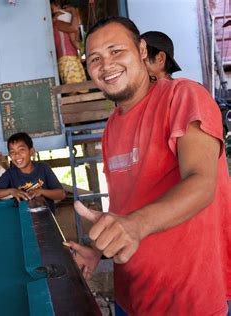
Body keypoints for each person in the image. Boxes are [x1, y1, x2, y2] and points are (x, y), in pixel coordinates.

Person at [63, 16, 230, 315]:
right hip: (131, 294)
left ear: (141, 49)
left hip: (188, 300)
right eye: (95, 59)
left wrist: (136, 225)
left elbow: (202, 182)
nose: (106, 65)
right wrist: (96, 252)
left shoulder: (183, 96)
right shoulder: (112, 126)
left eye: (116, 51)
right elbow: (124, 204)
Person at [0, 132, 65, 212]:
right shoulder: (10, 174)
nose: (16, 155)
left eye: (21, 150)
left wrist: (41, 191)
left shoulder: (43, 168)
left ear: (31, 152)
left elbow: (61, 194)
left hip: (47, 219)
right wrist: (11, 191)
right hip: (23, 220)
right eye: (12, 152)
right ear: (9, 155)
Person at [50, 0, 87, 86]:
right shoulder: (57, 22)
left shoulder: (59, 21)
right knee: (73, 88)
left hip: (71, 58)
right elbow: (74, 28)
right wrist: (73, 11)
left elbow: (75, 38)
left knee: (79, 88)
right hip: (67, 59)